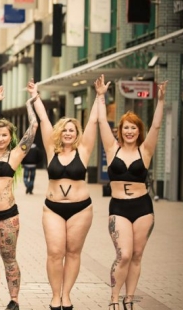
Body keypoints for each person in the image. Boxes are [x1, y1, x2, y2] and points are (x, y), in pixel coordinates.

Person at [32, 76, 106, 310]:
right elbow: (44, 119)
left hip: (80, 208)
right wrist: (35, 96)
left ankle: (66, 295)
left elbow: (93, 121)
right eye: (64, 130)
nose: (68, 133)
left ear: (77, 133)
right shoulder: (51, 150)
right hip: (52, 208)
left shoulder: (84, 151)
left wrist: (100, 96)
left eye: (72, 130)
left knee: (73, 252)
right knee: (55, 252)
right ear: (59, 133)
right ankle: (55, 295)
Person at [98, 78, 167, 310]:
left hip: (143, 208)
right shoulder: (111, 148)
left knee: (137, 255)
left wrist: (161, 100)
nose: (129, 131)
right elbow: (100, 123)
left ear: (139, 131)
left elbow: (157, 126)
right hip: (118, 208)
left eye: (133, 127)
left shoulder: (145, 150)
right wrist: (100, 96)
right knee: (124, 254)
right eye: (125, 127)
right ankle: (114, 298)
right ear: (121, 130)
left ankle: (129, 299)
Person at [0, 83, 39, 310]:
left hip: (7, 215)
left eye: (5, 135)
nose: (1, 138)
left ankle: (14, 300)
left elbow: (34, 125)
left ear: (10, 137)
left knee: (9, 258)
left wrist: (31, 101)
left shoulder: (16, 154)